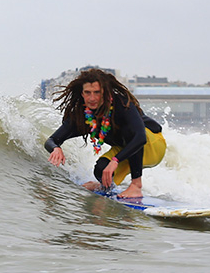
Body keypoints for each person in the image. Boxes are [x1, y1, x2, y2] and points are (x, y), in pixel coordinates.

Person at [44, 68, 166, 200]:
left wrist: (115, 160)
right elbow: (52, 140)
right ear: (82, 93)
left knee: (129, 132)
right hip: (126, 150)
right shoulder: (81, 116)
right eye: (87, 92)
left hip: (152, 145)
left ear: (105, 93)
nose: (92, 98)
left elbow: (140, 137)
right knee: (101, 170)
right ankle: (104, 187)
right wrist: (56, 148)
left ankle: (136, 185)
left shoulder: (122, 104)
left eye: (97, 92)